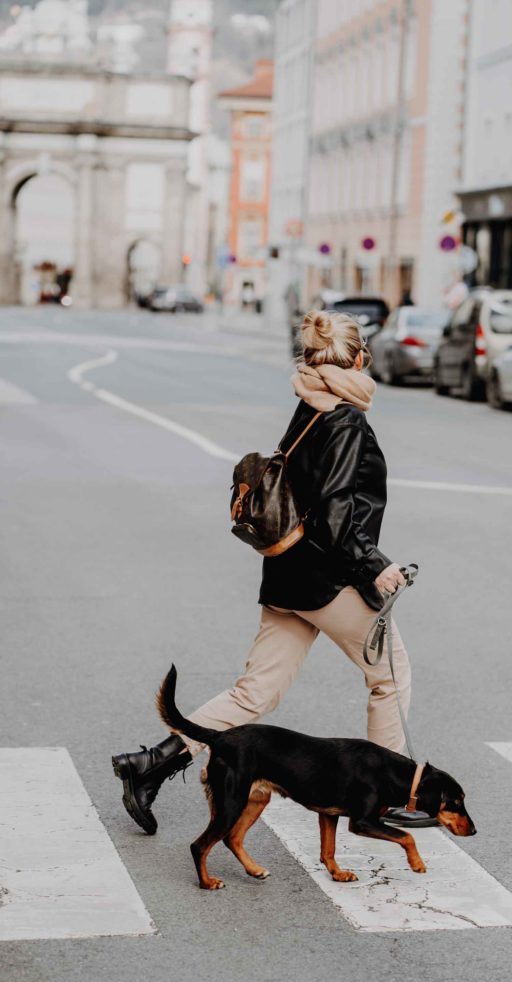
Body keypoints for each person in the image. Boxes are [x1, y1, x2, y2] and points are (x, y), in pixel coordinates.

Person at [112, 309, 422, 834]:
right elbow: (335, 513)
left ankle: (151, 765)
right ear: (361, 358)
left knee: (255, 692)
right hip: (329, 580)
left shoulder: (310, 403)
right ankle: (384, 796)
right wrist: (378, 565)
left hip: (286, 576)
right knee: (389, 676)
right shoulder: (346, 418)